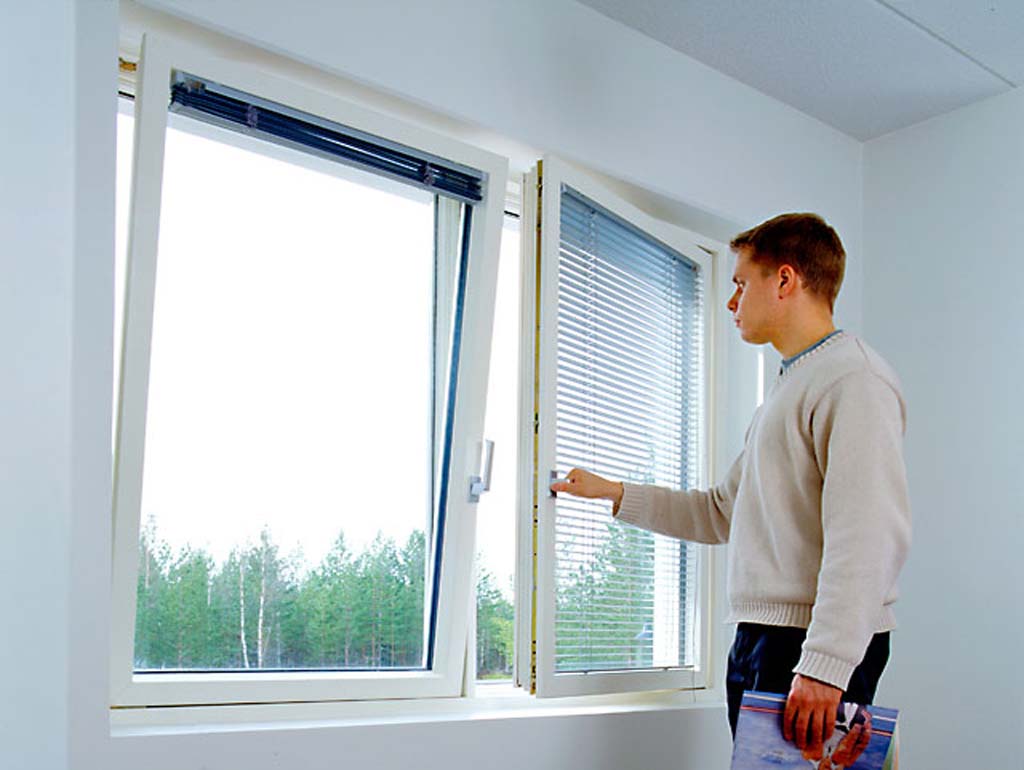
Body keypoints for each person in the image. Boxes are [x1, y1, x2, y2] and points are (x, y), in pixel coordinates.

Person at [550, 213, 911, 759]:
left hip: (807, 645)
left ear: (784, 280)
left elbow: (868, 537)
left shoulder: (854, 380)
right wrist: (616, 493)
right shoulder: (790, 387)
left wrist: (826, 665)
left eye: (741, 283)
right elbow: (721, 511)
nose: (731, 301)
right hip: (763, 637)